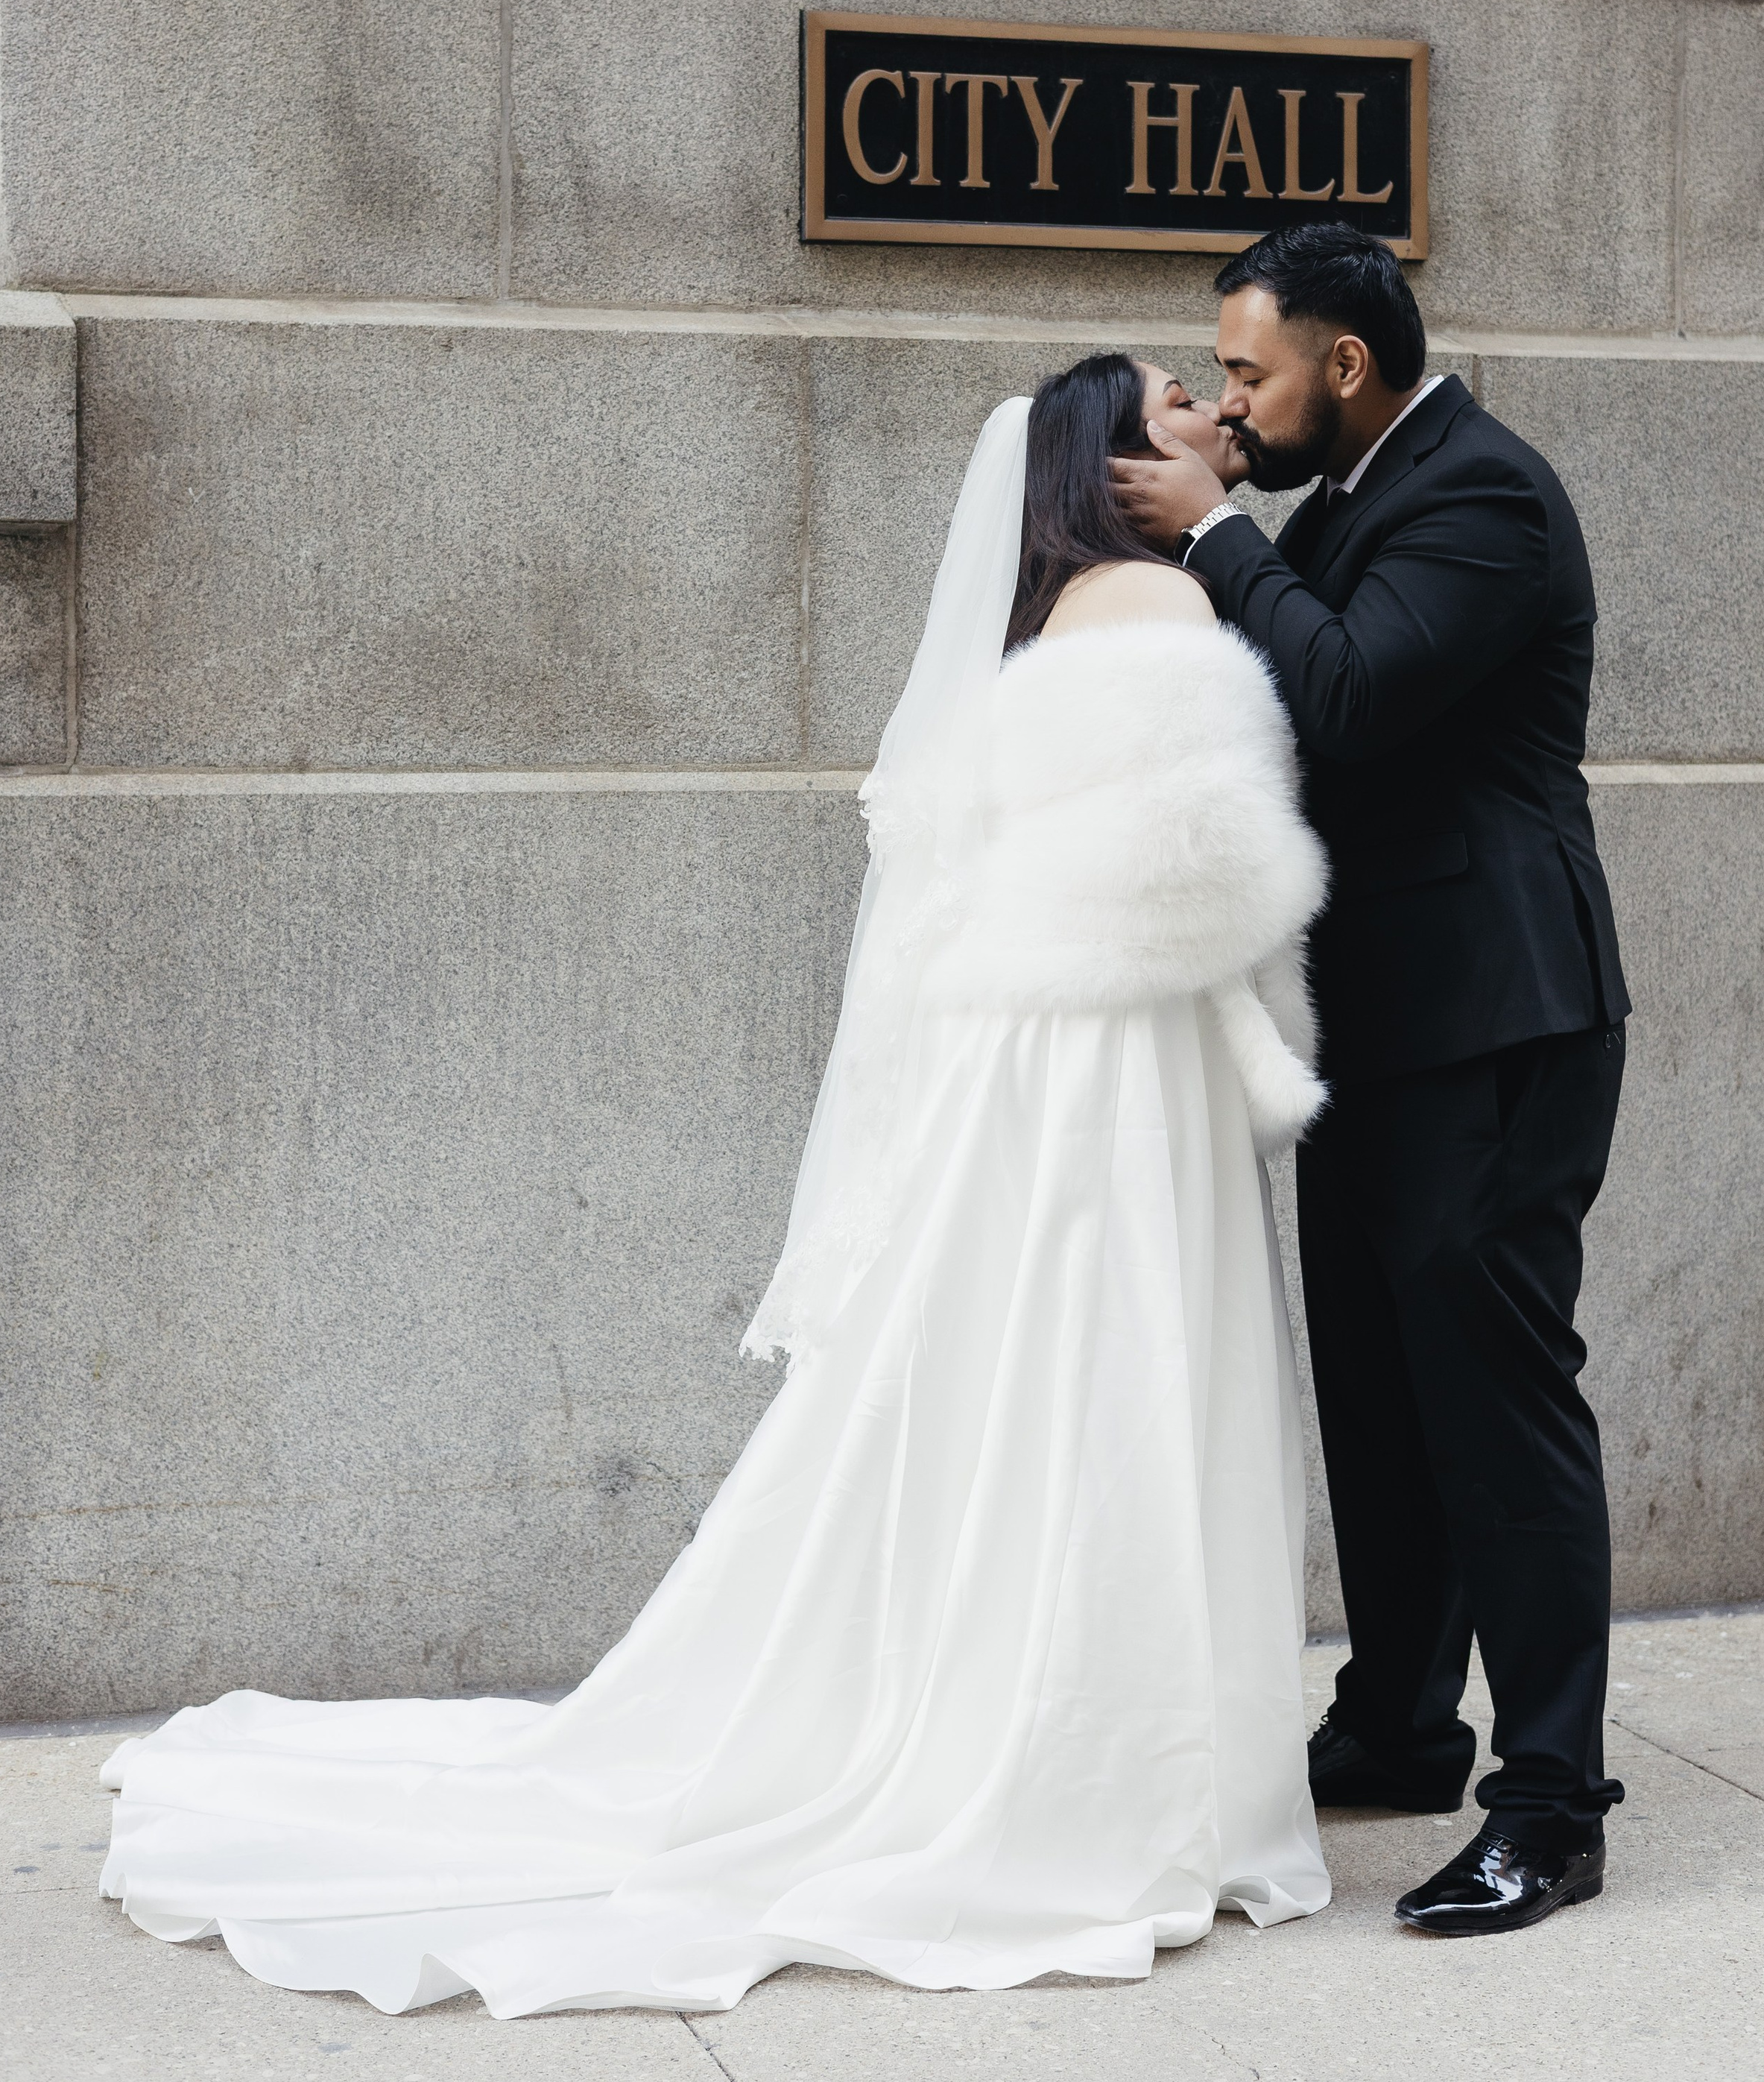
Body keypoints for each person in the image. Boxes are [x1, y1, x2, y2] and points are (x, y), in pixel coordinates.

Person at [98, 355, 1333, 2019]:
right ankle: (1101, 1764)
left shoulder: (1041, 620)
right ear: (1115, 461)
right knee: (1112, 1380)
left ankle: (1037, 1709)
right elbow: (1199, 870)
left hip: (1035, 1057)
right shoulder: (1158, 606)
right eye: (1179, 398)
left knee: (1037, 1383)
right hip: (1112, 1064)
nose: (1211, 410)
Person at [1113, 221, 1630, 1938]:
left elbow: (1339, 692)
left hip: (1493, 1022)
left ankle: (1549, 1805)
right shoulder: (1345, 504)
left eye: (1248, 370)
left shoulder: (1480, 496)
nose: (1234, 400)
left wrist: (1212, 528)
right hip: (1373, 1032)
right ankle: (1400, 1722)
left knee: (1494, 1409)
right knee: (1384, 1402)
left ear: (1344, 365)